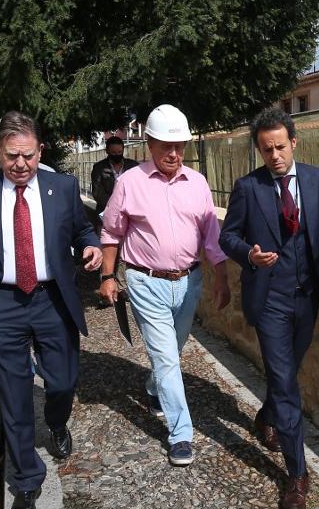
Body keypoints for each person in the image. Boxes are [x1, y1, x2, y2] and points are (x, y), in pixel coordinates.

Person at [0, 111, 102, 509]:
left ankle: (56, 421)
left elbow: (82, 231)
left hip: (51, 299)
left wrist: (90, 247)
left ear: (41, 151)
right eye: (11, 155)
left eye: (29, 155)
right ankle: (26, 481)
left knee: (63, 380)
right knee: (14, 393)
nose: (20, 164)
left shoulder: (62, 187)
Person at [219, 107, 319, 509]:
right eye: (266, 149)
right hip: (270, 298)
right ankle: (297, 474)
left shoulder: (317, 179)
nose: (274, 156)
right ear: (259, 150)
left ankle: (266, 417)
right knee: (286, 383)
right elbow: (227, 237)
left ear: (293, 142)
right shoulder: (248, 187)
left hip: (308, 296)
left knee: (286, 373)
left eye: (280, 147)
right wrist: (249, 255)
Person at [97, 104, 230, 466]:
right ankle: (181, 433)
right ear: (150, 144)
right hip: (146, 282)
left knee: (174, 350)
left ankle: (155, 388)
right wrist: (108, 276)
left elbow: (211, 236)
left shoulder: (197, 183)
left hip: (189, 282)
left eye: (179, 146)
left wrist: (221, 277)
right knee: (167, 357)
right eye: (166, 146)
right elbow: (111, 233)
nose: (173, 153)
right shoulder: (130, 182)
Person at [90, 136, 139, 217]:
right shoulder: (99, 168)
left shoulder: (133, 166)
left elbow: (138, 188)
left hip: (130, 211)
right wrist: (116, 206)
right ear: (107, 151)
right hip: (106, 211)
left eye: (120, 152)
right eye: (113, 152)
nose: (117, 155)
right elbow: (97, 193)